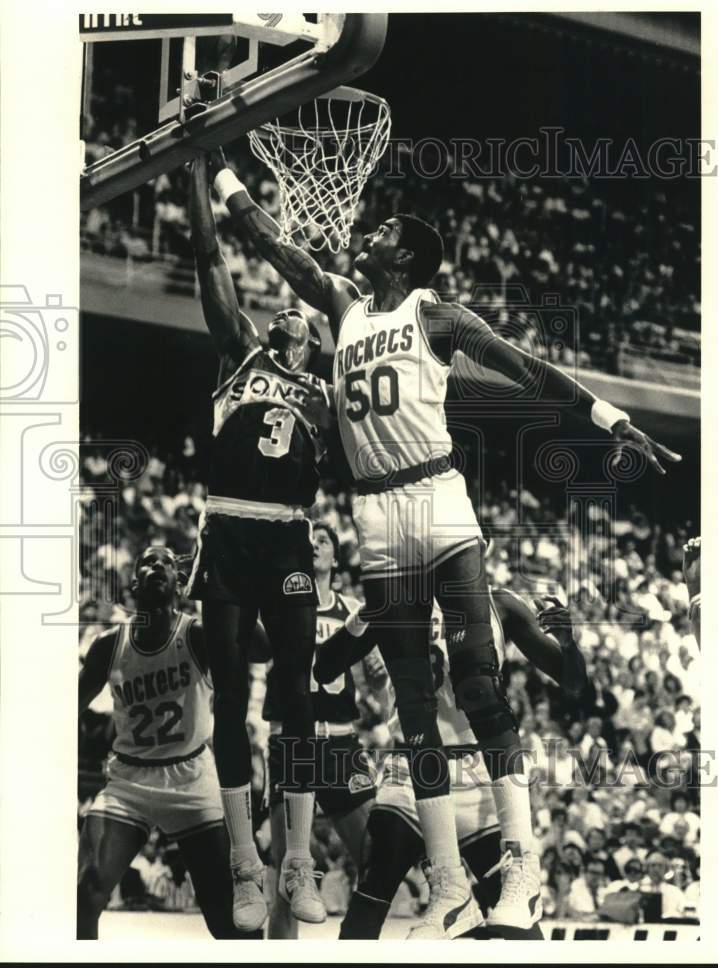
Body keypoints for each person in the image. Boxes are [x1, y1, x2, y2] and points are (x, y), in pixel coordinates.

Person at [212, 153, 680, 938]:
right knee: (413, 710)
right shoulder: (341, 303)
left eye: (385, 230)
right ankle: (448, 883)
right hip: (375, 515)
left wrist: (609, 420)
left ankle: (522, 869)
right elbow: (266, 242)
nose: (369, 233)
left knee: (478, 685)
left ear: (407, 256)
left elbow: (529, 369)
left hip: (437, 499)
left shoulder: (439, 318)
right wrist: (219, 164)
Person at [186, 154, 332, 930]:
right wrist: (195, 173)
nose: (285, 311)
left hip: (287, 543)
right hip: (229, 531)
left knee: (297, 696)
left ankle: (297, 857)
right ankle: (246, 863)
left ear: (311, 337)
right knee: (235, 697)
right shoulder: (239, 353)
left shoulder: (328, 393)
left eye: (297, 315)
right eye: (279, 310)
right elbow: (210, 256)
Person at [322, 590, 588, 939]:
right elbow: (324, 668)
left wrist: (568, 644)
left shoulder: (501, 604)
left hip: (475, 771)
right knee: (370, 898)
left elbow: (573, 682)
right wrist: (363, 616)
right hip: (411, 770)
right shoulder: (394, 597)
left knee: (516, 923)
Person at [77, 546, 255, 939]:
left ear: (180, 583)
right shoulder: (109, 644)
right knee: (86, 892)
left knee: (229, 917)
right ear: (134, 581)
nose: (157, 566)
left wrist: (222, 587)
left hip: (190, 775)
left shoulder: (196, 633)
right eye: (148, 561)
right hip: (128, 779)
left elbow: (260, 647)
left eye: (168, 563)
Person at [257, 523, 387, 938]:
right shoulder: (276, 603)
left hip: (341, 742)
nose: (315, 544)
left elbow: (377, 678)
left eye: (324, 540)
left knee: (376, 856)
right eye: (309, 540)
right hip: (292, 741)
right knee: (285, 873)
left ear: (335, 558)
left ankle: (354, 940)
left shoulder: (352, 608)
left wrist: (380, 678)